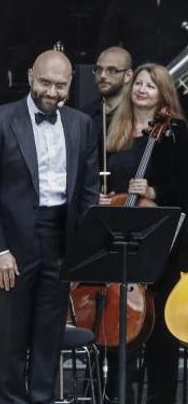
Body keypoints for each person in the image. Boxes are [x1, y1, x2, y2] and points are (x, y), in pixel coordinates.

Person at [0, 49, 98, 403]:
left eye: (60, 85)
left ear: (71, 84)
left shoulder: (81, 123)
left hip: (61, 238)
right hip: (10, 242)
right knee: (11, 335)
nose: (52, 92)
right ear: (30, 76)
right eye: (45, 82)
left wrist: (82, 252)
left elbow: (87, 192)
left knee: (49, 334)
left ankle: (42, 399)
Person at [97, 63, 188, 404]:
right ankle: (115, 396)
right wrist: (103, 196)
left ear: (163, 93)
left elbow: (184, 187)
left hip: (160, 242)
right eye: (138, 83)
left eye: (151, 85)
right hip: (120, 237)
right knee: (116, 325)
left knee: (159, 332)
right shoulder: (115, 129)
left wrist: (154, 192)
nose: (142, 89)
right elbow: (103, 177)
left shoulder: (176, 132)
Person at [81, 46, 133, 148]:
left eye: (112, 70)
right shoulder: (85, 115)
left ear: (128, 75)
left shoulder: (137, 116)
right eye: (99, 69)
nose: (103, 75)